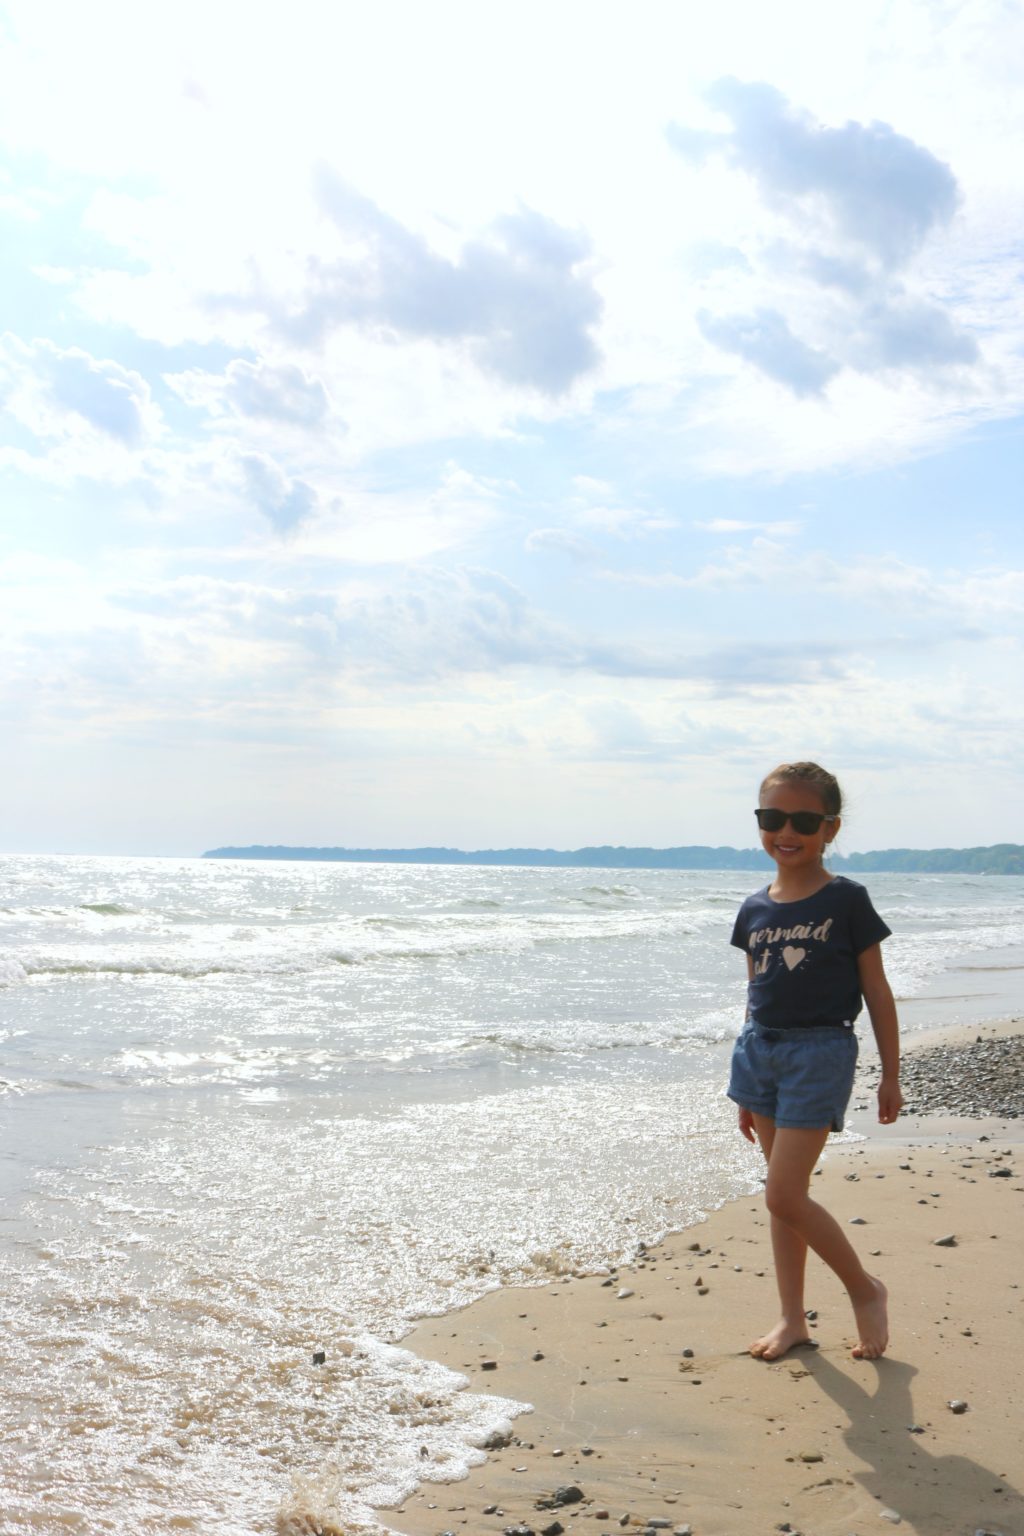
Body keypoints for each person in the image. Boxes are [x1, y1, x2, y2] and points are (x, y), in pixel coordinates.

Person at [727, 761, 902, 1361]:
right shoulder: (754, 908)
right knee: (783, 1195)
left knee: (783, 1194)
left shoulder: (846, 899)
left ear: (830, 827)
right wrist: (749, 1088)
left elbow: (876, 991)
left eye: (804, 820)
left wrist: (891, 1076)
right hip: (761, 1052)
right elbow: (756, 994)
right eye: (773, 818)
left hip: (820, 1052)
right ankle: (791, 1319)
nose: (787, 831)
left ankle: (865, 1289)